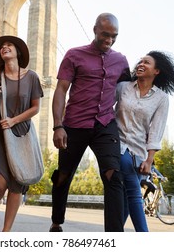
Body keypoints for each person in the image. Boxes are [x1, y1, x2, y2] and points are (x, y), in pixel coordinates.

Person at [50, 13, 131, 232]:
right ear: (95, 29)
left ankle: (114, 236)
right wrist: (58, 126)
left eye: (114, 36)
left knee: (114, 176)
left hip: (105, 124)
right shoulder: (74, 55)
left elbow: (128, 94)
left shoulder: (121, 61)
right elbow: (60, 90)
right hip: (74, 124)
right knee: (63, 175)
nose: (109, 40)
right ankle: (57, 221)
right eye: (105, 34)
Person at [115, 50, 174, 232]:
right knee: (134, 191)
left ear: (156, 71)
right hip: (117, 145)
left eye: (146, 62)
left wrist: (149, 160)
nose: (141, 64)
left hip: (139, 152)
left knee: (126, 199)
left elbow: (156, 130)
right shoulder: (123, 87)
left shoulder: (161, 98)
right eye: (140, 61)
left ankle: (113, 235)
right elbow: (105, 108)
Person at [0, 35, 44, 232]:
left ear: (18, 52)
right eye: (2, 46)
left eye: (9, 45)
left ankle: (5, 233)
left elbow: (35, 108)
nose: (4, 47)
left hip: (21, 131)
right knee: (0, 184)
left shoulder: (31, 77)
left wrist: (14, 120)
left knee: (18, 183)